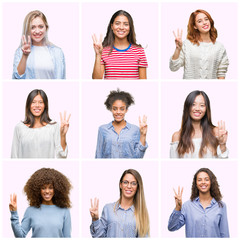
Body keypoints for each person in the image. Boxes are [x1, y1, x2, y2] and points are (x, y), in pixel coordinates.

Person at [9, 168, 72, 238]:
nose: (47, 191)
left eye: (50, 188)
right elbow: (20, 236)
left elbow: (67, 237)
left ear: (56, 189)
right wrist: (14, 213)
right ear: (38, 189)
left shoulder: (64, 211)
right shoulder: (30, 211)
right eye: (43, 188)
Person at [168, 168, 229, 238]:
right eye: (199, 180)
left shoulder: (221, 206)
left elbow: (224, 234)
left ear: (211, 182)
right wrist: (178, 208)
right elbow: (172, 227)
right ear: (196, 184)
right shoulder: (187, 206)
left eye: (206, 179)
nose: (203, 182)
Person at [89, 169, 150, 237]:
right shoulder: (108, 209)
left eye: (133, 183)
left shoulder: (141, 213)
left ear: (137, 187)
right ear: (120, 185)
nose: (129, 186)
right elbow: (99, 236)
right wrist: (95, 219)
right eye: (125, 182)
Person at [169, 9, 229, 79]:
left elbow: (221, 73)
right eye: (199, 21)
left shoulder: (219, 47)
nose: (204, 23)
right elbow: (173, 67)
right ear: (195, 26)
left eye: (206, 19)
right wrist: (178, 49)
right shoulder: (187, 44)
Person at [11, 89, 71, 158]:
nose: (37, 105)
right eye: (33, 102)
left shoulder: (54, 126)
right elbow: (14, 156)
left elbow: (62, 156)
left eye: (40, 102)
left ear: (45, 105)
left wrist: (63, 135)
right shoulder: (19, 127)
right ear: (28, 105)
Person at [170, 90, 228, 158]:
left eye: (202, 105)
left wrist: (222, 144)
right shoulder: (177, 136)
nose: (197, 108)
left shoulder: (216, 132)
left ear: (207, 109)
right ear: (187, 107)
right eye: (193, 104)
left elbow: (223, 161)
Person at [92, 10, 148, 79]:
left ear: (130, 27)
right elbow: (96, 80)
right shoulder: (103, 51)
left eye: (126, 24)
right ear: (112, 26)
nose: (121, 27)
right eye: (117, 23)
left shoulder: (139, 51)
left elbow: (143, 83)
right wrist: (98, 55)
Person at [12, 10, 65, 79]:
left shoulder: (58, 52)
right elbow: (17, 77)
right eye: (32, 27)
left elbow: (61, 79)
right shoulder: (20, 52)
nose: (37, 31)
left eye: (41, 26)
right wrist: (24, 56)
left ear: (46, 28)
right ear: (28, 29)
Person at [95, 89, 148, 158]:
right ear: (111, 109)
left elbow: (138, 157)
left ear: (126, 110)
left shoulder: (135, 130)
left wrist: (143, 135)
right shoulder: (102, 129)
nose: (118, 112)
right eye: (115, 109)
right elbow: (98, 154)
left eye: (122, 109)